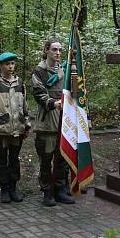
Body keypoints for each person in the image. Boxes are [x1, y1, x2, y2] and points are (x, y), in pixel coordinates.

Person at [31, 39, 75, 206]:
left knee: (62, 157)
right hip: (47, 121)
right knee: (46, 158)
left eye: (60, 50)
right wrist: (53, 103)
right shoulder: (39, 71)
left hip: (64, 121)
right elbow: (38, 93)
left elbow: (72, 92)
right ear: (46, 50)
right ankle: (47, 191)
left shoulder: (65, 71)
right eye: (54, 49)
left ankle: (60, 189)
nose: (57, 53)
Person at [0, 52, 31, 204]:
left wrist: (26, 125)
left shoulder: (20, 82)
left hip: (17, 129)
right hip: (2, 129)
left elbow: (24, 105)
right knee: (2, 160)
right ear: (1, 65)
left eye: (12, 63)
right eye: (7, 64)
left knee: (14, 160)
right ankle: (4, 189)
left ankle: (13, 188)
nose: (10, 66)